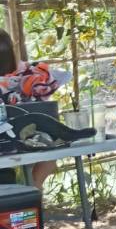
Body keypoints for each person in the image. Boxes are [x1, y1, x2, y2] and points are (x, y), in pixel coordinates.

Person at [0, 29, 73, 186]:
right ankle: (32, 195)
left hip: (15, 140)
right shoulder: (27, 75)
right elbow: (64, 76)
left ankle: (30, 197)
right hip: (23, 139)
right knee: (49, 154)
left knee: (47, 153)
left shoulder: (24, 76)